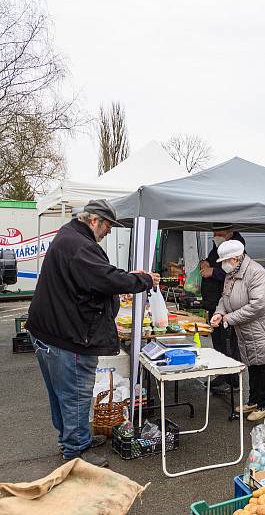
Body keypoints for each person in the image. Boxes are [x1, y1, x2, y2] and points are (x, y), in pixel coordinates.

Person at [26, 200, 159, 468]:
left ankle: (73, 440)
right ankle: (76, 452)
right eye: (108, 225)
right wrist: (143, 280)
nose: (109, 231)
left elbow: (98, 276)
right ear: (95, 220)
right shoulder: (79, 245)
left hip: (52, 332)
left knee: (62, 395)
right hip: (67, 336)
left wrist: (123, 276)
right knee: (75, 395)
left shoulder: (70, 237)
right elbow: (105, 278)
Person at [211, 240, 265, 422]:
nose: (223, 265)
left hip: (264, 327)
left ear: (236, 259)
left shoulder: (255, 272)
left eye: (225, 261)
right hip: (247, 328)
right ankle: (253, 401)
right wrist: (219, 313)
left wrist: (229, 318)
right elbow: (225, 297)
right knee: (253, 364)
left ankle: (264, 405)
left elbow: (258, 305)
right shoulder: (233, 273)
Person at [200, 224, 247, 395]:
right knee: (218, 342)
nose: (214, 236)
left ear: (229, 233)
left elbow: (234, 273)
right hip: (214, 302)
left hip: (228, 306)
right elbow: (213, 261)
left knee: (230, 344)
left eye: (218, 233)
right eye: (213, 232)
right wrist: (205, 262)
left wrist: (213, 272)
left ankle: (233, 381)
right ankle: (222, 374)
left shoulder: (237, 249)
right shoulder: (218, 246)